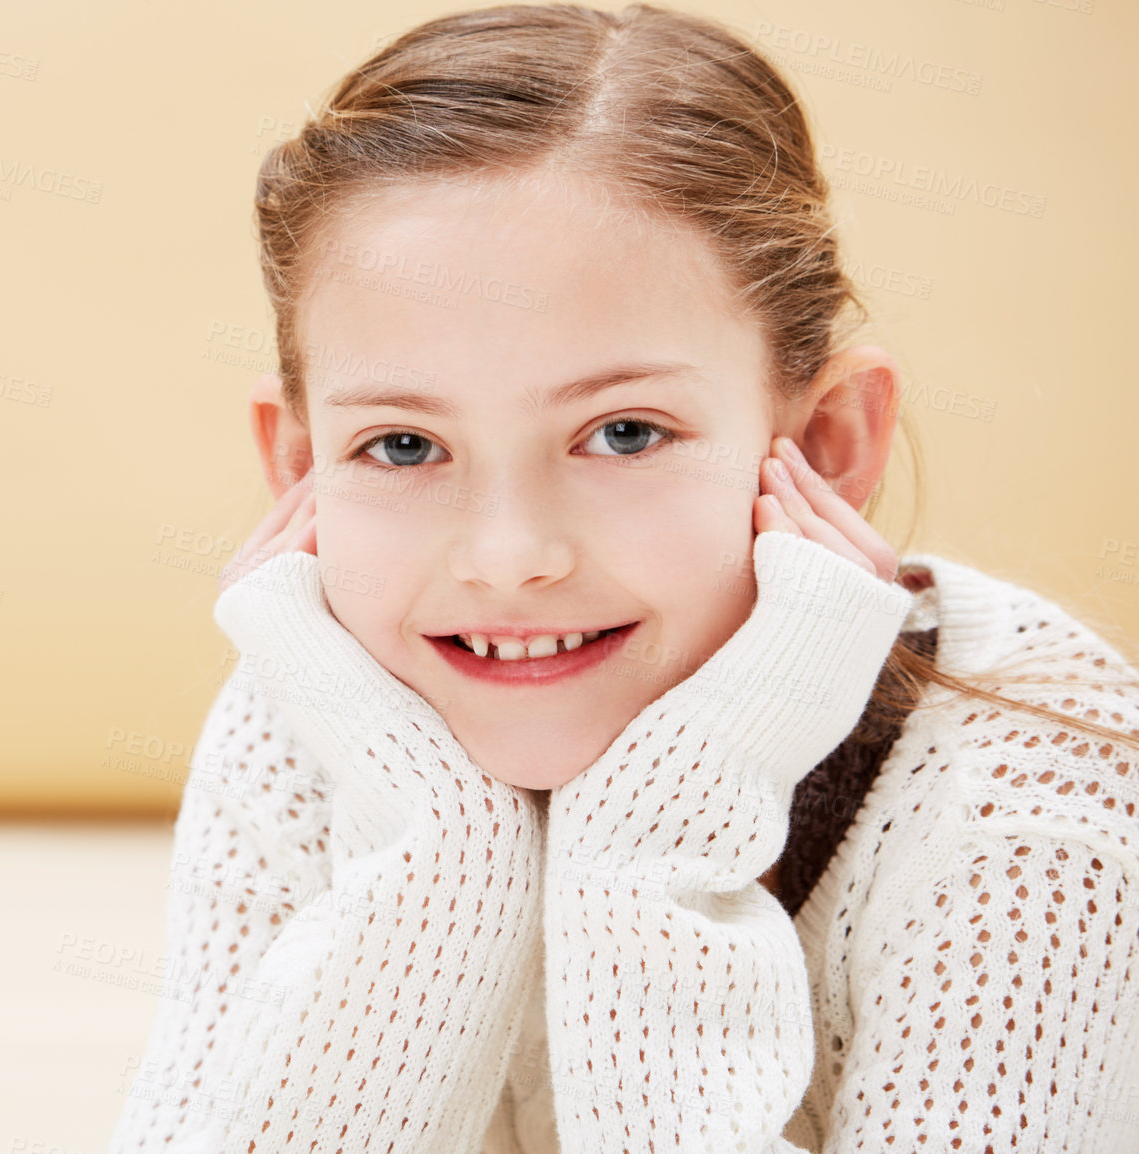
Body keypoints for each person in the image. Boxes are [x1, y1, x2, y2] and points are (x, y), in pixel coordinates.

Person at [108, 4, 1139, 1151]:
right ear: (301, 464)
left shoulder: (1025, 803)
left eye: (625, 433)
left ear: (830, 439)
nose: (507, 557)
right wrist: (438, 861)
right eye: (402, 446)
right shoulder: (320, 708)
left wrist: (659, 843)